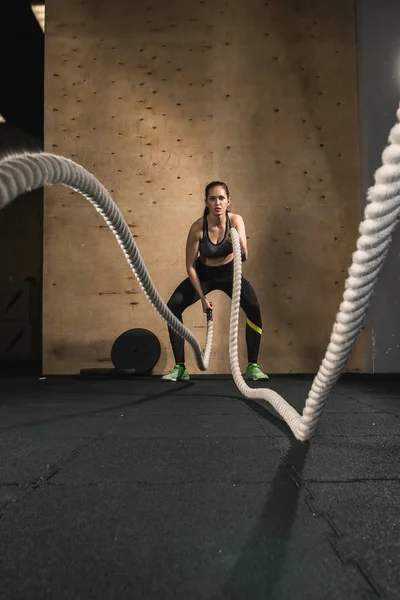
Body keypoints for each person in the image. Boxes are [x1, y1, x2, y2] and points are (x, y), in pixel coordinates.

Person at [161, 181, 269, 382]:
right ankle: (180, 367)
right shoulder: (197, 228)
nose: (217, 203)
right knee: (172, 307)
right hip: (204, 275)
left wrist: (234, 243)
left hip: (230, 274)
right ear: (206, 202)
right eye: (212, 198)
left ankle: (253, 366)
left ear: (228, 200)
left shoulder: (236, 221)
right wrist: (202, 298)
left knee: (253, 306)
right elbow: (190, 266)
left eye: (221, 198)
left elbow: (244, 255)